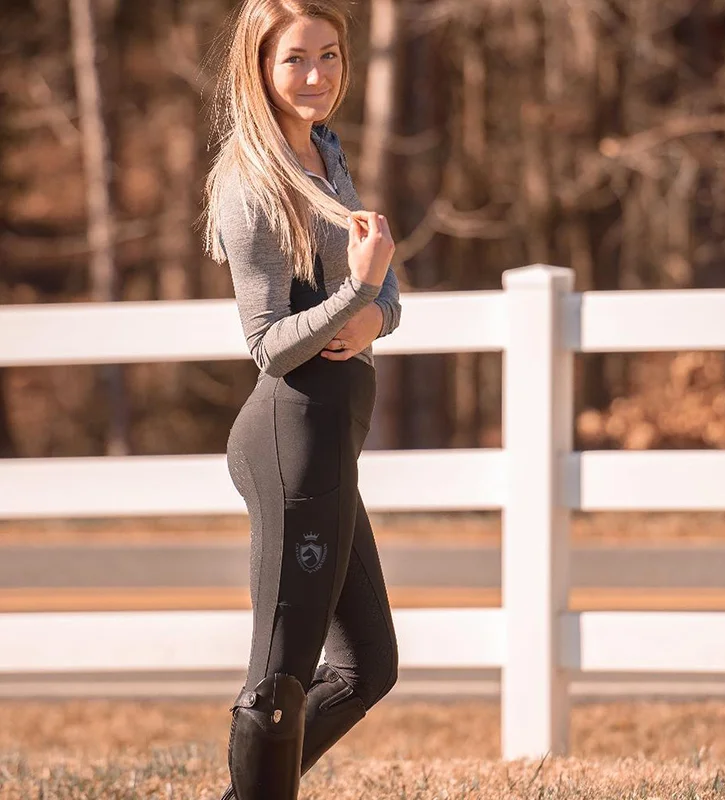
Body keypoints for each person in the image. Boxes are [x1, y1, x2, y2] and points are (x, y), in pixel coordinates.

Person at [202, 1, 401, 798]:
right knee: (279, 677)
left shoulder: (324, 153)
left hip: (332, 434)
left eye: (329, 55)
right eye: (295, 59)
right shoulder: (251, 182)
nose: (316, 75)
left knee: (364, 667)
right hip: (291, 435)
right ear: (259, 67)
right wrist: (357, 289)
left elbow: (389, 300)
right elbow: (268, 345)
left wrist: (373, 307)